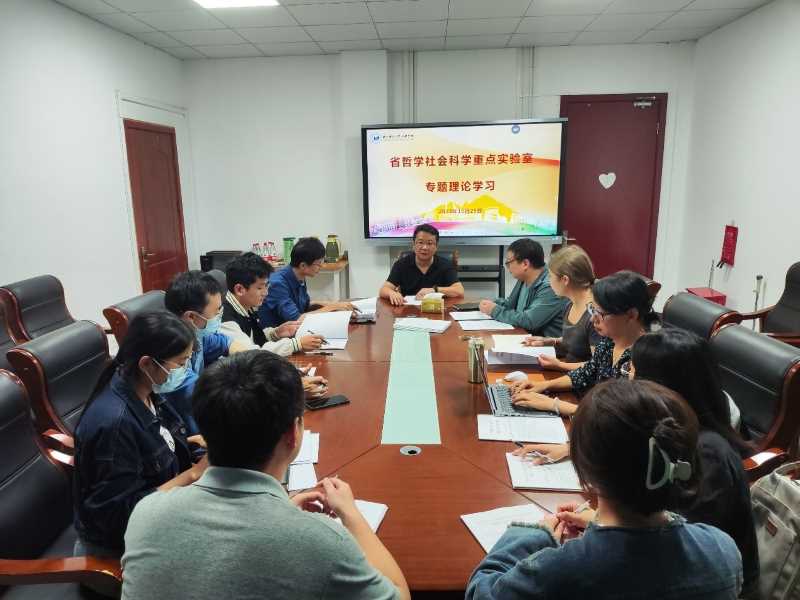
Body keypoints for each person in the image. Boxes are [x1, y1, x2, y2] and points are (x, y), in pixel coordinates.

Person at [121, 351, 411, 600]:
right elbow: (400, 595)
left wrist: (281, 512)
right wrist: (350, 514)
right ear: (293, 433)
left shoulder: (147, 512)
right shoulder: (322, 542)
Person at [466, 379, 743, 600]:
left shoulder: (559, 571)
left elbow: (482, 591)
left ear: (586, 476)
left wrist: (532, 535)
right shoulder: (722, 549)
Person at [73, 312, 208, 557]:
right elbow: (119, 518)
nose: (184, 370)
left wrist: (189, 445)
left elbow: (150, 450)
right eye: (180, 363)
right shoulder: (114, 425)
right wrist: (193, 474)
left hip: (156, 519)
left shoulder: (144, 390)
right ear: (146, 364)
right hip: (118, 550)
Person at [510, 270, 658, 416]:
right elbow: (586, 373)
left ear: (631, 315)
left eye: (601, 314)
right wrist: (543, 385)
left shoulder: (644, 358)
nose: (593, 319)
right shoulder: (610, 341)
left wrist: (554, 404)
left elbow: (619, 416)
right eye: (592, 310)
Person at [163, 270, 247, 434]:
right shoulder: (169, 356)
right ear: (191, 317)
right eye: (216, 311)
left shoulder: (197, 333)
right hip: (190, 434)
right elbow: (208, 396)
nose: (220, 316)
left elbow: (226, 343)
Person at [220, 252, 324, 355]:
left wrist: (276, 333)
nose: (266, 293)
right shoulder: (225, 321)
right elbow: (252, 355)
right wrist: (296, 344)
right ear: (239, 289)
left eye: (266, 286)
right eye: (260, 288)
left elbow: (252, 338)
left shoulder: (245, 305)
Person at [521, 244, 599, 369]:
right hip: (570, 374)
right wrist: (551, 341)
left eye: (550, 276)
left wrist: (560, 365)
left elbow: (598, 366)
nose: (549, 281)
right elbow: (578, 343)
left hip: (583, 380)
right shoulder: (569, 304)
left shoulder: (595, 314)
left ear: (565, 280)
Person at [259, 237, 356, 327]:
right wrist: (332, 307)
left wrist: (334, 305)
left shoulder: (299, 275)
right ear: (303, 265)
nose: (321, 266)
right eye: (318, 264)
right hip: (278, 336)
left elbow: (305, 304)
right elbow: (297, 319)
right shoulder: (277, 283)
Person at [478, 238, 566, 337]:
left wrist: (494, 310)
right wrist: (493, 304)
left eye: (508, 262)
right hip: (526, 337)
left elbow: (530, 320)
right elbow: (511, 306)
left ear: (525, 264)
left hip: (545, 343)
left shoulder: (551, 286)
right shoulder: (524, 278)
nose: (508, 267)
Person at [379, 223, 464, 306]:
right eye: (420, 242)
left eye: (429, 243)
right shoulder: (401, 264)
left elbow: (459, 291)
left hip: (438, 310)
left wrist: (435, 290)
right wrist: (392, 293)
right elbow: (384, 289)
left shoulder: (445, 265)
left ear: (436, 247)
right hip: (408, 311)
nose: (424, 247)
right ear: (413, 245)